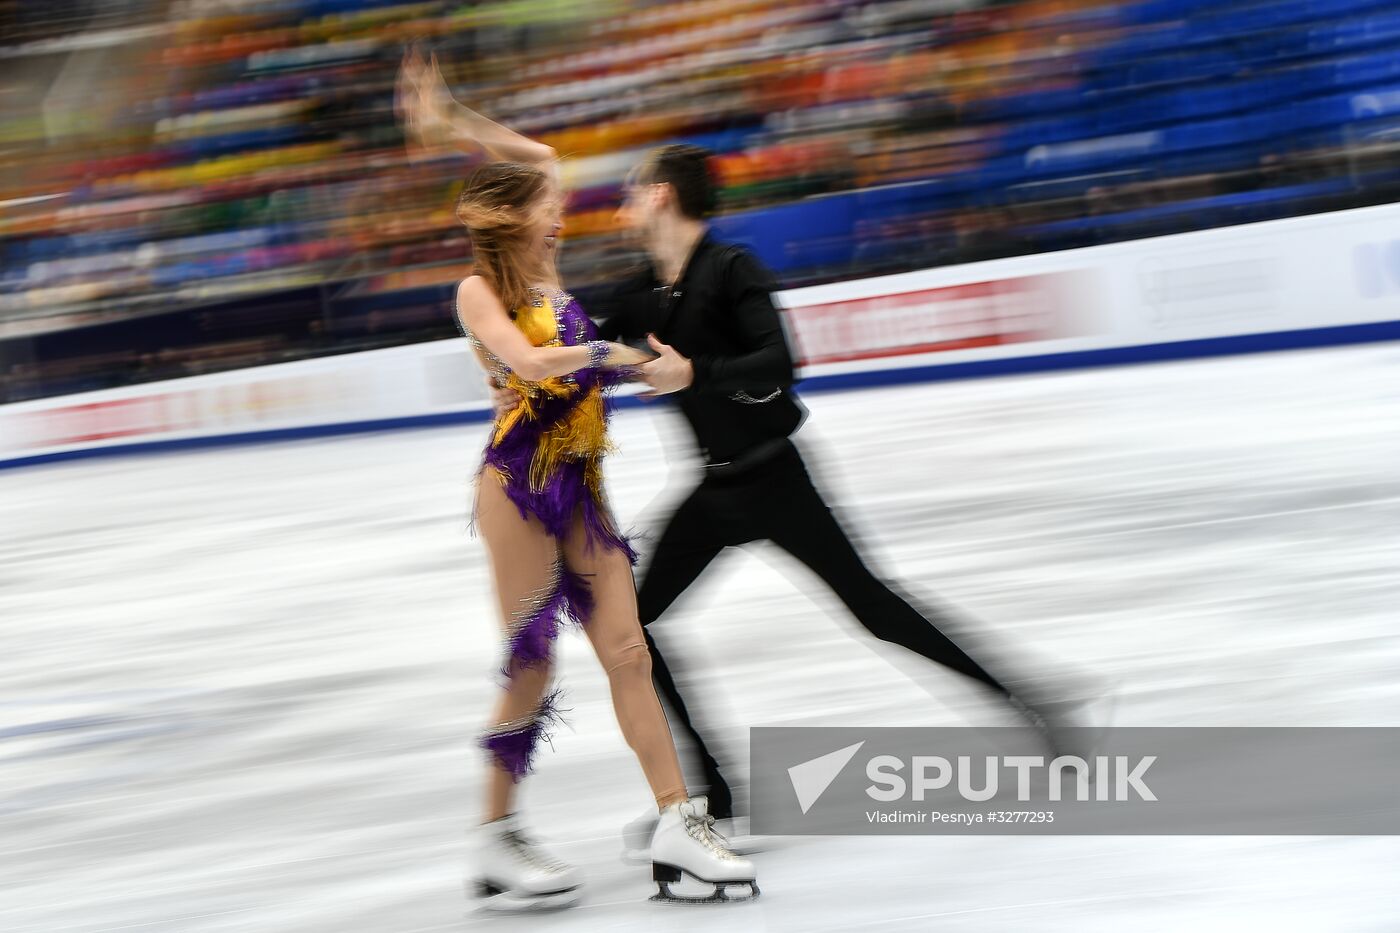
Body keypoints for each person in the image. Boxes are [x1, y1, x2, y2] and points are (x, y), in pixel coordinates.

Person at [533, 144, 1098, 833]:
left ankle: (1037, 702)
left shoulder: (733, 268)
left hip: (777, 479)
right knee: (637, 625)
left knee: (878, 611)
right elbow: (577, 342)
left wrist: (694, 375)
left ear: (662, 196)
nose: (621, 204)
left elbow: (779, 361)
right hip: (712, 490)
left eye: (631, 189)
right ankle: (716, 791)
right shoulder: (642, 292)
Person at [396, 47, 759, 910]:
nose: (559, 220)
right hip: (517, 487)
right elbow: (526, 360)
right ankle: (495, 837)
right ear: (512, 222)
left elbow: (543, 160)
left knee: (630, 651)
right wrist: (606, 354)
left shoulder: (548, 272)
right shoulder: (476, 292)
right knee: (531, 664)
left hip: (583, 486)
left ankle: (679, 822)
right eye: (545, 215)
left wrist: (447, 120)